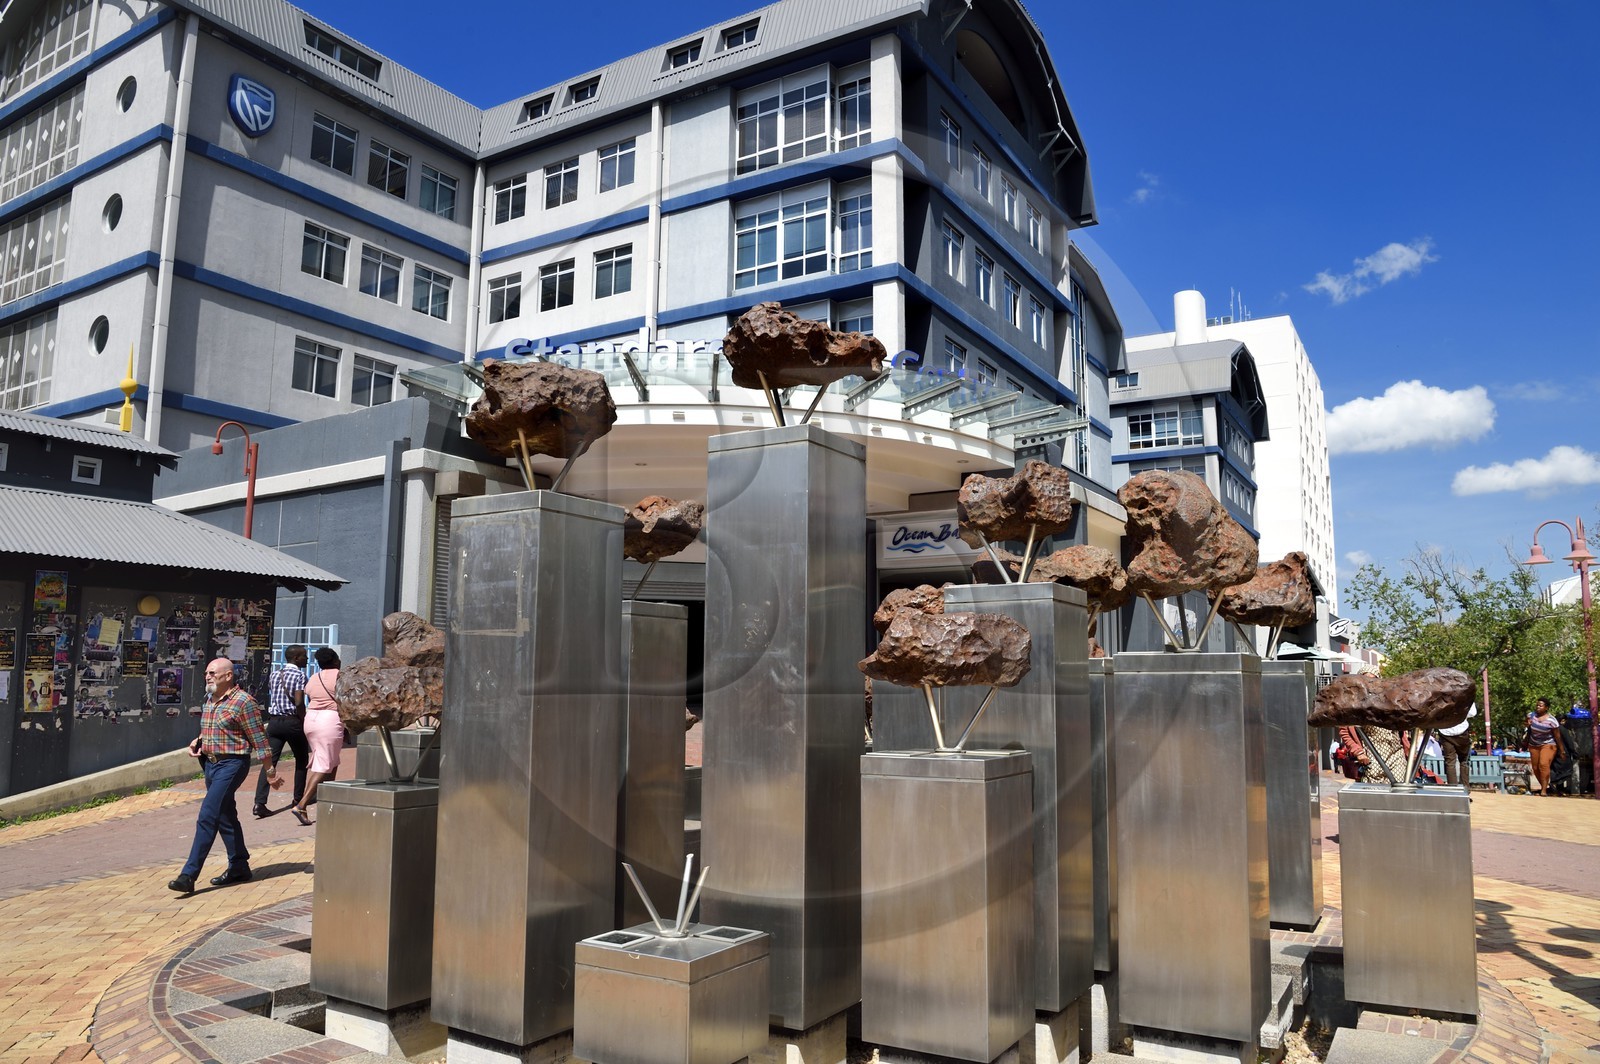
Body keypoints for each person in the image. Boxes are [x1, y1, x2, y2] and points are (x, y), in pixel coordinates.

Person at [169, 659, 276, 894]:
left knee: (208, 815)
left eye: (213, 673)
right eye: (206, 673)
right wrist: (198, 741)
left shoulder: (244, 702)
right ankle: (239, 865)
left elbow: (259, 739)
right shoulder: (210, 698)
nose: (207, 676)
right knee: (225, 815)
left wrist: (270, 773)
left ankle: (188, 875)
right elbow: (212, 728)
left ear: (228, 676)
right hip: (210, 764)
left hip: (232, 764)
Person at [252, 645, 311, 818]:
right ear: (297, 658)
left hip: (275, 722)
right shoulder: (300, 675)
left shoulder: (275, 674)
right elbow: (299, 702)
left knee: (270, 762)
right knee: (301, 760)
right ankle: (298, 800)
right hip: (292, 722)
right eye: (304, 656)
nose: (307, 659)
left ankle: (259, 802)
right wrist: (304, 720)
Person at [289, 647, 342, 826]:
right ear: (335, 660)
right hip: (329, 720)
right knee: (325, 763)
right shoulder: (340, 676)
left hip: (311, 720)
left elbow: (308, 697)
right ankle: (301, 805)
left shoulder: (313, 677)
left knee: (331, 762)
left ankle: (327, 802)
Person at [1526, 698, 1568, 796]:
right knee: (1535, 768)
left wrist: (1562, 750)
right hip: (1534, 744)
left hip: (1548, 744)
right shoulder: (1531, 715)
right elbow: (1526, 723)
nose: (1538, 707)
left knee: (1543, 764)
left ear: (1546, 708)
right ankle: (1544, 786)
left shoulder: (1552, 720)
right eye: (1537, 705)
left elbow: (1557, 737)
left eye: (1541, 706)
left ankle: (1543, 790)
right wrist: (1527, 723)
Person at [1438, 702, 1478, 791]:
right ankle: (1465, 789)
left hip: (1445, 731)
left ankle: (1453, 790)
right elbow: (1472, 713)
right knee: (1464, 760)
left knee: (1450, 762)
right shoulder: (1465, 695)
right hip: (1461, 731)